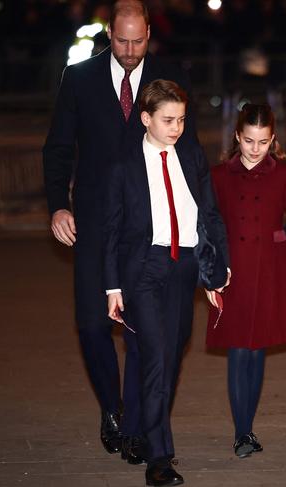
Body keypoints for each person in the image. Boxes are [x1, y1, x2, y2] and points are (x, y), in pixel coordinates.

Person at [42, 0, 195, 462]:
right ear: (110, 32)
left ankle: (139, 426)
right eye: (122, 40)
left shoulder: (168, 77)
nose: (130, 51)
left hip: (148, 228)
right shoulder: (81, 78)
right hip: (91, 221)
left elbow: (189, 151)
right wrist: (57, 207)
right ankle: (112, 408)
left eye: (139, 40)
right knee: (91, 325)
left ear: (150, 32)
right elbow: (58, 149)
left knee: (143, 332)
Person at [103, 79, 229, 487]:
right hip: (144, 269)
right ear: (146, 119)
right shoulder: (123, 165)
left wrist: (215, 269)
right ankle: (159, 458)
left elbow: (208, 215)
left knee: (171, 357)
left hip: (185, 267)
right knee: (156, 357)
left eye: (181, 119)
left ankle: (135, 431)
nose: (177, 128)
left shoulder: (191, 154)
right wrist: (112, 287)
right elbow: (112, 230)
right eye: (168, 120)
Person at [205, 103, 286, 458]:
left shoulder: (283, 174)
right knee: (237, 350)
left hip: (270, 271)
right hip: (232, 273)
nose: (255, 149)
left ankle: (247, 428)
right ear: (237, 137)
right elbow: (206, 226)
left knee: (257, 349)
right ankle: (241, 431)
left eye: (263, 142)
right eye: (248, 141)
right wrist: (209, 271)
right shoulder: (218, 176)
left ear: (273, 139)